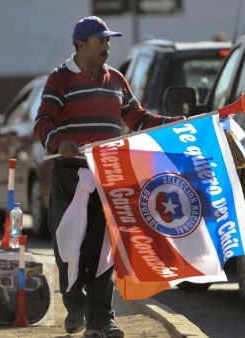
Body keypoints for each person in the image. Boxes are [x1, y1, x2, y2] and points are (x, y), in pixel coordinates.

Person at [33, 16, 184, 338]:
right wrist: (61, 142)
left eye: (108, 40)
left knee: (104, 249)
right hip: (70, 176)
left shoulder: (116, 79)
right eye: (99, 40)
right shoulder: (60, 80)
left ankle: (101, 320)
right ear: (80, 44)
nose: (106, 45)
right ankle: (75, 305)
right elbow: (43, 121)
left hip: (109, 175)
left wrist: (173, 124)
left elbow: (137, 117)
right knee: (69, 247)